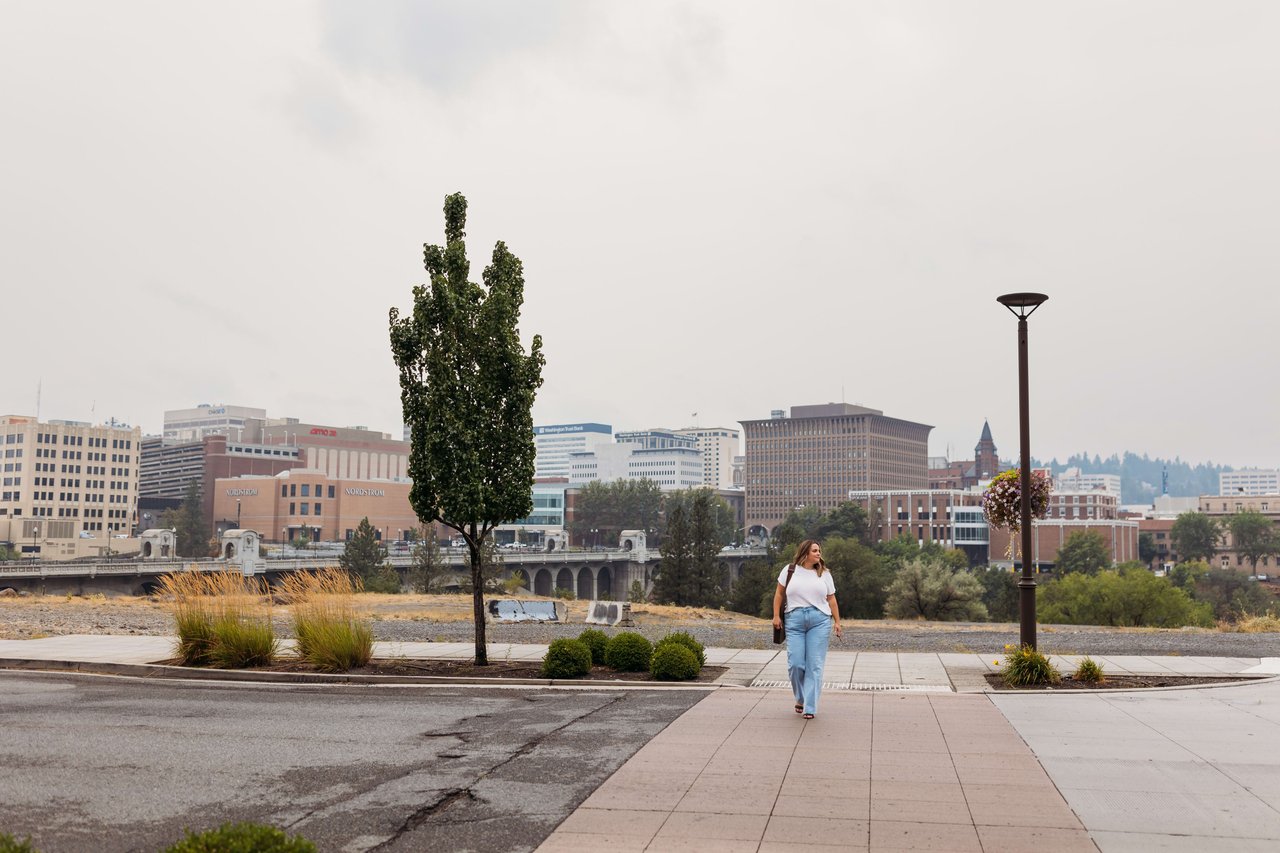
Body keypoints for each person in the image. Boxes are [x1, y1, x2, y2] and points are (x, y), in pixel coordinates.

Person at [772, 539, 842, 719]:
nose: (819, 554)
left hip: (819, 621)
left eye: (819, 551)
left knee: (814, 665)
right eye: (815, 551)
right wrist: (776, 615)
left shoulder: (824, 574)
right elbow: (779, 593)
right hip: (794, 620)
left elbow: (831, 599)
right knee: (796, 664)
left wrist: (837, 622)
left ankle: (810, 707)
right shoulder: (789, 570)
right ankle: (800, 698)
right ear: (805, 553)